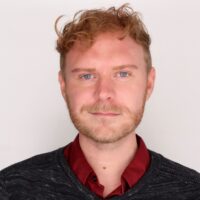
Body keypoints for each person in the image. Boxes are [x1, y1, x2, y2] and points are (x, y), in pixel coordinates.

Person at [0, 4, 200, 200]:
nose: (104, 93)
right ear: (63, 85)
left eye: (122, 74)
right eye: (87, 76)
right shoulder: (9, 188)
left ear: (149, 83)